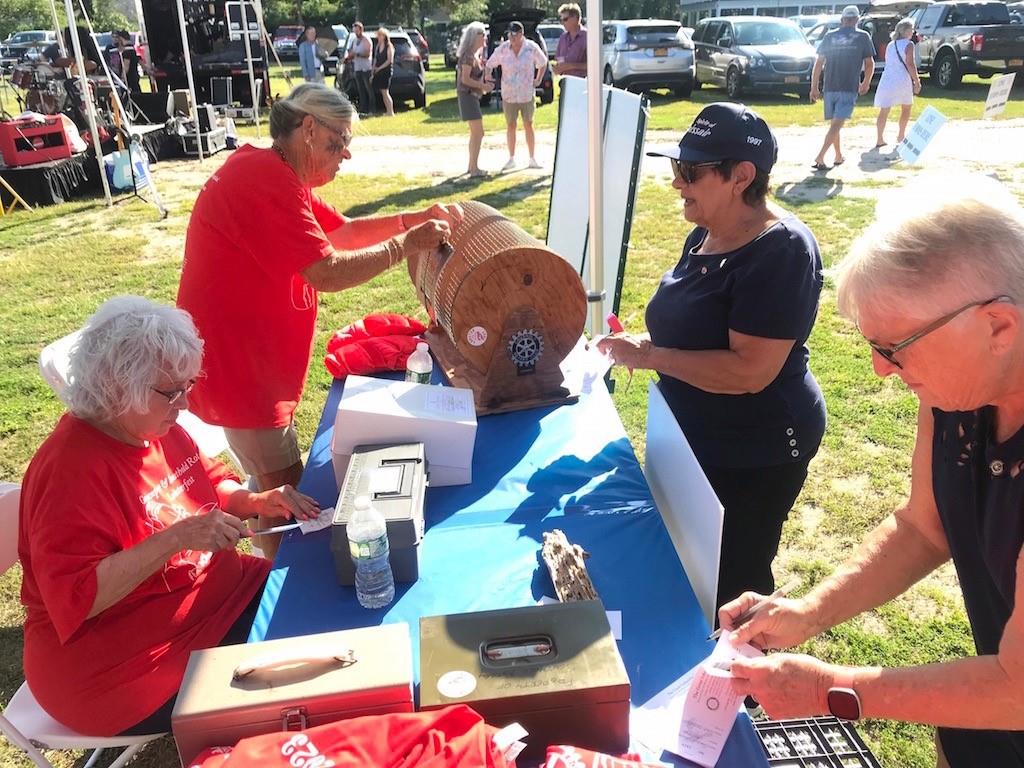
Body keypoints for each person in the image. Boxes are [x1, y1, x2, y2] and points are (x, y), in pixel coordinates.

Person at [723, 177, 1024, 768]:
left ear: (998, 327)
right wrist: (808, 611)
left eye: (896, 346)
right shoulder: (959, 391)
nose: (881, 369)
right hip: (986, 716)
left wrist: (828, 690)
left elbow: (1017, 688)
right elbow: (924, 528)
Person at [176, 84, 461, 560]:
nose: (345, 154)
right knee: (285, 491)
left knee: (272, 486)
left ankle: (257, 563)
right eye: (338, 141)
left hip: (246, 364)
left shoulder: (276, 173)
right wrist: (406, 245)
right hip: (240, 371)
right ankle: (269, 585)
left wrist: (412, 220)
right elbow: (327, 270)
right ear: (308, 129)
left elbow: (342, 231)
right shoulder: (264, 179)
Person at [18, 296, 321, 736]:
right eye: (171, 391)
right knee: (302, 669)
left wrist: (254, 501)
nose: (184, 403)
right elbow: (78, 598)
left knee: (311, 595)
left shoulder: (152, 424)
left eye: (188, 385)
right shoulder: (69, 472)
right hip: (124, 669)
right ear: (117, 388)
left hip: (218, 597)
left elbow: (208, 480)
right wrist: (177, 538)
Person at [596, 103, 826, 611]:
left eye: (691, 172)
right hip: (696, 434)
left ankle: (739, 685)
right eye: (676, 168)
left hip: (757, 447)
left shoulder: (780, 250)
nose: (678, 183)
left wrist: (652, 355)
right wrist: (645, 347)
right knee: (686, 560)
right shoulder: (703, 231)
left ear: (741, 176)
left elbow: (750, 371)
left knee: (733, 581)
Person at [809, 5, 874, 170]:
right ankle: (820, 156)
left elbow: (819, 63)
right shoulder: (862, 36)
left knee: (834, 124)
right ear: (857, 20)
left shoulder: (830, 36)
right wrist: (866, 82)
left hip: (830, 86)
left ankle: (838, 156)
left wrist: (814, 87)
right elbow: (869, 63)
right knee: (836, 125)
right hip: (848, 87)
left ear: (842, 20)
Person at [486, 20, 547, 171]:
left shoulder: (531, 48)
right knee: (511, 125)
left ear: (521, 34)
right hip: (509, 94)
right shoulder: (503, 49)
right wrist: (488, 75)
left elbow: (543, 62)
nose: (512, 38)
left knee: (528, 124)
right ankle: (511, 158)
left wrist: (538, 79)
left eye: (515, 34)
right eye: (510, 34)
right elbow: (490, 63)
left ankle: (532, 158)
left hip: (526, 93)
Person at [874, 18, 922, 148]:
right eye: (911, 29)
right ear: (906, 30)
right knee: (906, 107)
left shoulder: (891, 44)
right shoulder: (909, 44)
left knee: (884, 109)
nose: (913, 32)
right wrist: (916, 80)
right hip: (902, 79)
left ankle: (879, 138)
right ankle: (901, 135)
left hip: (888, 78)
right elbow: (910, 64)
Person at [455, 22, 493, 178]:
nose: (485, 37)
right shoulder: (468, 56)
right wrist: (483, 86)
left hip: (472, 96)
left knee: (475, 133)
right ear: (474, 37)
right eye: (482, 34)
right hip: (468, 95)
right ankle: (474, 169)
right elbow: (465, 79)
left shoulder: (474, 55)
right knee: (478, 133)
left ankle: (472, 166)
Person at [344, 21, 373, 114]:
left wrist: (357, 54)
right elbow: (351, 52)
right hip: (357, 68)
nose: (356, 33)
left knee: (369, 89)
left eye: (357, 31)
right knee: (361, 90)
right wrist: (348, 57)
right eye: (354, 31)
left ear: (361, 30)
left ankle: (372, 108)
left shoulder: (366, 40)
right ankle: (363, 108)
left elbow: (367, 54)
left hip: (366, 68)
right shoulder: (354, 40)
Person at [554, 3, 587, 76]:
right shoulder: (563, 38)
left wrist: (571, 66)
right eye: (561, 19)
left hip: (582, 82)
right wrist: (557, 67)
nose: (562, 23)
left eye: (565, 19)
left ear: (575, 18)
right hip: (564, 82)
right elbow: (557, 59)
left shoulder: (587, 37)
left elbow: (594, 65)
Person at [372, 27, 395, 117]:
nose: (378, 37)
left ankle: (391, 112)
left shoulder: (389, 46)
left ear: (384, 36)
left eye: (380, 35)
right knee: (382, 92)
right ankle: (388, 111)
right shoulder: (378, 46)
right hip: (378, 71)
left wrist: (380, 68)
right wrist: (374, 69)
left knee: (385, 92)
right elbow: (375, 59)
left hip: (386, 71)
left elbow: (389, 60)